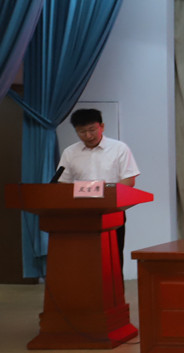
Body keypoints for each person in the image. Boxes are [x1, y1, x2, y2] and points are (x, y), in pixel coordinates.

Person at [56, 108, 140, 269]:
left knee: (112, 258)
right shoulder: (70, 152)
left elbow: (129, 181)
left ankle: (114, 286)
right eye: (82, 132)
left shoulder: (119, 148)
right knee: (84, 259)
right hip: (80, 213)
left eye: (92, 130)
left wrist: (104, 193)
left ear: (102, 126)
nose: (88, 136)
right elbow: (63, 184)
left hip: (111, 212)